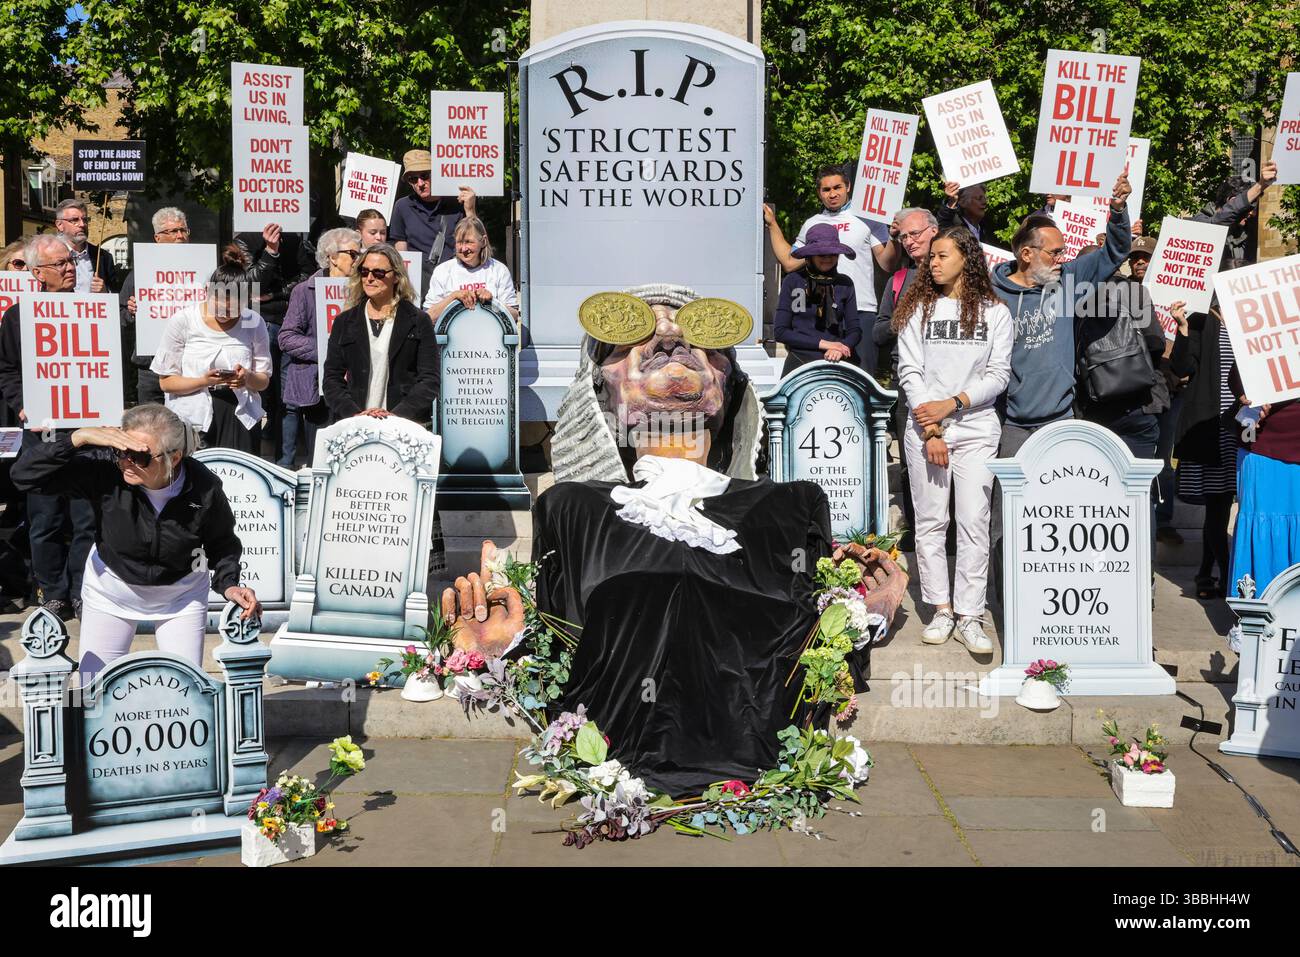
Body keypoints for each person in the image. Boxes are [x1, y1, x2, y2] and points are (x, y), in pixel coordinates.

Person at [9, 404, 261, 679]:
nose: (126, 462)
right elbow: (24, 476)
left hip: (180, 595)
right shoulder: (106, 470)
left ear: (174, 458)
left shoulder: (203, 487)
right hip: (111, 589)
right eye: (122, 451)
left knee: (183, 690)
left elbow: (222, 541)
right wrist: (77, 438)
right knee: (93, 689)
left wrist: (229, 585)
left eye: (139, 456)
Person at [895, 227, 1012, 654]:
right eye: (931, 257)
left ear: (967, 257)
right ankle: (941, 609)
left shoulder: (994, 312)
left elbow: (997, 376)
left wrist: (953, 404)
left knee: (973, 522)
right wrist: (931, 427)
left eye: (942, 255)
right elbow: (910, 372)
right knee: (930, 522)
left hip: (977, 428)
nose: (933, 263)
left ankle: (971, 614)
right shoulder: (918, 309)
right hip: (926, 429)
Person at [0, 233, 99, 619]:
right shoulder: (18, 317)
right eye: (60, 264)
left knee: (85, 517)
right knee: (45, 519)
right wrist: (22, 405)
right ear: (39, 273)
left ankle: (81, 590)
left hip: (86, 430)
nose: (70, 268)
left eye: (70, 262)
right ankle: (52, 592)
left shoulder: (91, 310)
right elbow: (7, 370)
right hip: (40, 431)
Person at [763, 165, 902, 373]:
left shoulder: (867, 217)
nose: (832, 194)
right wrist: (773, 224)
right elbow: (790, 263)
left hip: (861, 309)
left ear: (848, 187)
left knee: (863, 380)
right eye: (826, 190)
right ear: (819, 193)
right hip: (823, 312)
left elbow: (887, 263)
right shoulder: (812, 223)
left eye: (837, 187)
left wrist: (894, 238)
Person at [151, 244, 273, 454]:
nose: (226, 313)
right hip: (192, 414)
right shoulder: (184, 320)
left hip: (240, 413)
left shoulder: (254, 321)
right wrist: (204, 381)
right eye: (220, 306)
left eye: (234, 309)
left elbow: (263, 380)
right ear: (207, 291)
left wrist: (247, 378)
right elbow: (166, 382)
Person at [874, 207, 940, 550]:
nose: (909, 242)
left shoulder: (955, 276)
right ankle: (917, 534)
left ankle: (954, 535)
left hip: (950, 382)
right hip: (908, 384)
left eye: (915, 234)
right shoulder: (898, 280)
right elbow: (879, 332)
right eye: (903, 237)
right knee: (913, 462)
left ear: (934, 231)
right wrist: (905, 317)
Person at [321, 243, 439, 422]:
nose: (369, 278)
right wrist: (354, 414)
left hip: (404, 425)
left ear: (396, 277)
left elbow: (429, 380)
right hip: (355, 424)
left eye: (378, 273)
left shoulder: (418, 321)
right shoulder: (344, 321)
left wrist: (397, 415)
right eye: (364, 271)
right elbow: (331, 379)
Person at [1169, 301, 1238, 599]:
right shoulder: (1200, 322)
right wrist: (1182, 328)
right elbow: (1182, 367)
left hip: (1239, 428)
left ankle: (1204, 572)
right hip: (1209, 427)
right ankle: (1226, 572)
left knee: (1221, 505)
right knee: (1217, 504)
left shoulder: (1248, 324)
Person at [277, 227, 361, 466]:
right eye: (352, 254)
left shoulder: (364, 290)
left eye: (359, 254)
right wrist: (326, 350)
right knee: (321, 460)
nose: (358, 259)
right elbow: (287, 338)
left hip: (354, 387)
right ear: (331, 256)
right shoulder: (304, 291)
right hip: (317, 388)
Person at [1229, 377, 1300, 595]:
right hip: (1261, 440)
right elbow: (1238, 372)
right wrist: (1244, 394)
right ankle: (1255, 611)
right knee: (1261, 521)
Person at [120, 207, 194, 406]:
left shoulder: (203, 269)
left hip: (191, 362)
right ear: (157, 238)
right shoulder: (140, 273)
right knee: (152, 428)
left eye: (183, 230)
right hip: (151, 365)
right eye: (172, 231)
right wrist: (132, 312)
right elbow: (120, 315)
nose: (180, 236)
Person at [772, 223, 859, 374]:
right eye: (821, 254)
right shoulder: (793, 280)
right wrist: (825, 344)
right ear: (810, 255)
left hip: (835, 361)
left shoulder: (845, 283)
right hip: (799, 363)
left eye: (832, 254)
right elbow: (780, 331)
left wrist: (842, 347)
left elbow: (855, 330)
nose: (827, 259)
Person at [390, 149, 477, 295]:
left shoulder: (457, 203)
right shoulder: (402, 206)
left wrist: (470, 210)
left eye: (424, 176)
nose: (420, 183)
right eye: (413, 179)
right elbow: (401, 250)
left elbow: (476, 242)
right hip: (417, 286)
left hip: (453, 283)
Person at [422, 217, 520, 322]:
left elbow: (514, 315)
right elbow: (428, 317)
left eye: (469, 242)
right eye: (459, 242)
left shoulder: (499, 270)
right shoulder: (443, 271)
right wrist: (453, 297)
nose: (463, 249)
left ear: (483, 241)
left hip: (490, 335)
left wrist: (492, 302)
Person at [53, 198, 116, 293]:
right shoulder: (49, 255)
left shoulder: (103, 257)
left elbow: (117, 296)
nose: (82, 224)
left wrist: (105, 292)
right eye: (74, 220)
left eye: (85, 220)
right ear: (60, 225)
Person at [937, 182, 1003, 244]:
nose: (984, 202)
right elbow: (943, 225)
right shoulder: (955, 228)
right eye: (979, 198)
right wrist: (951, 202)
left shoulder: (988, 230)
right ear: (962, 202)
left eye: (985, 198)